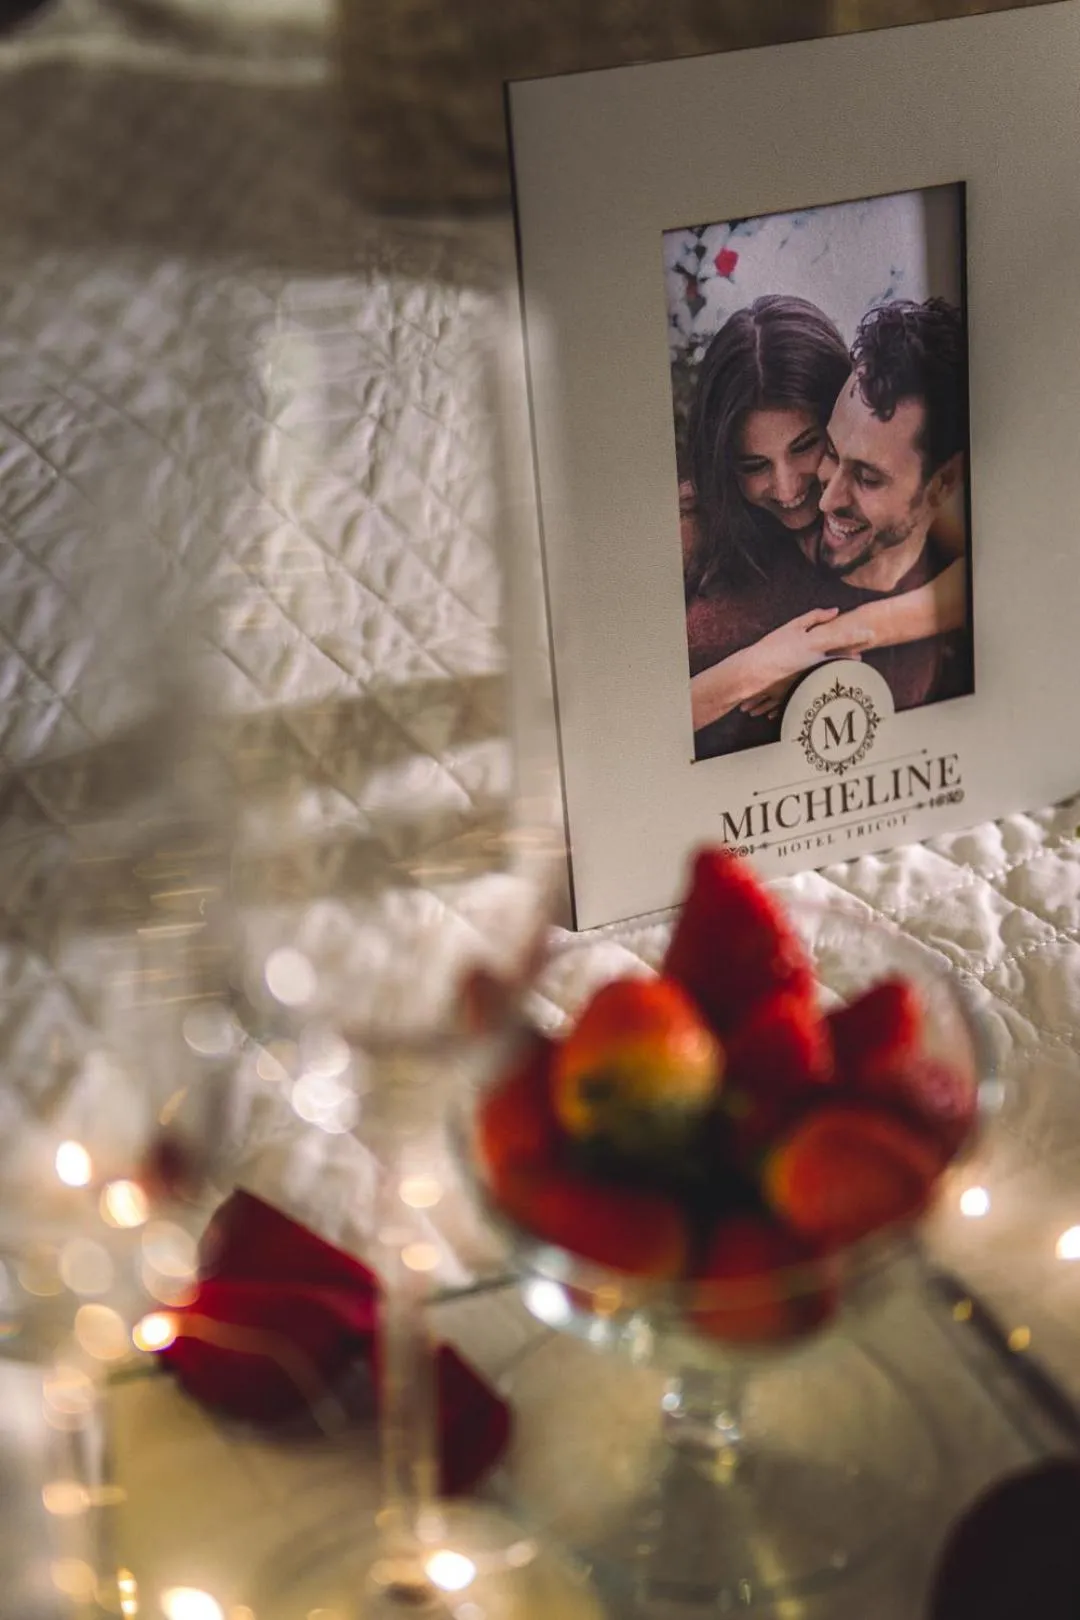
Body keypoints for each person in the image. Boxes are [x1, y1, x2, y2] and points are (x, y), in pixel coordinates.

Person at [683, 295, 969, 759]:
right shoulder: (699, 524)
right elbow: (622, 724)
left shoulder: (905, 514)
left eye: (806, 446)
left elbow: (989, 576)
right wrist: (759, 666)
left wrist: (840, 636)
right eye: (754, 464)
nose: (787, 487)